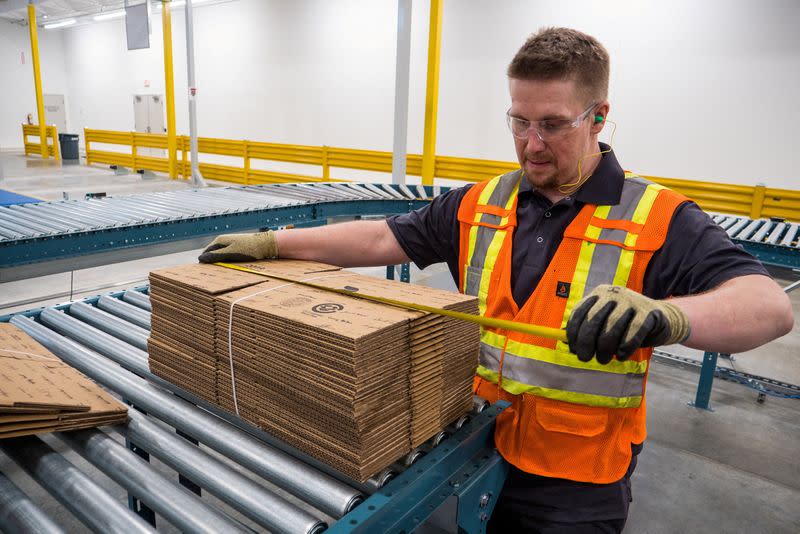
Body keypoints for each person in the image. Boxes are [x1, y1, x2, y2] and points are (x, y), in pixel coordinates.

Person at [199, 27, 793, 533]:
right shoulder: (486, 203)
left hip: (575, 477)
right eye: (519, 121)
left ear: (599, 119)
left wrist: (670, 317)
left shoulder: (657, 217)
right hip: (474, 441)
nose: (531, 146)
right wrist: (274, 243)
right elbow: (384, 237)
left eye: (554, 125)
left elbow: (768, 306)